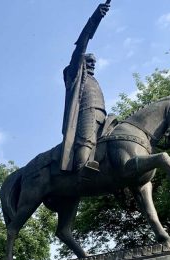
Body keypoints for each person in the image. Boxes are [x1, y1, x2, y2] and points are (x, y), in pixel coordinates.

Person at [60, 1, 111, 175]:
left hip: (102, 115)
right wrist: (95, 18)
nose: (93, 65)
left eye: (94, 63)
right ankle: (82, 168)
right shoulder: (75, 74)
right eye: (89, 61)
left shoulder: (93, 80)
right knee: (86, 140)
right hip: (86, 113)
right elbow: (81, 44)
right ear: (81, 62)